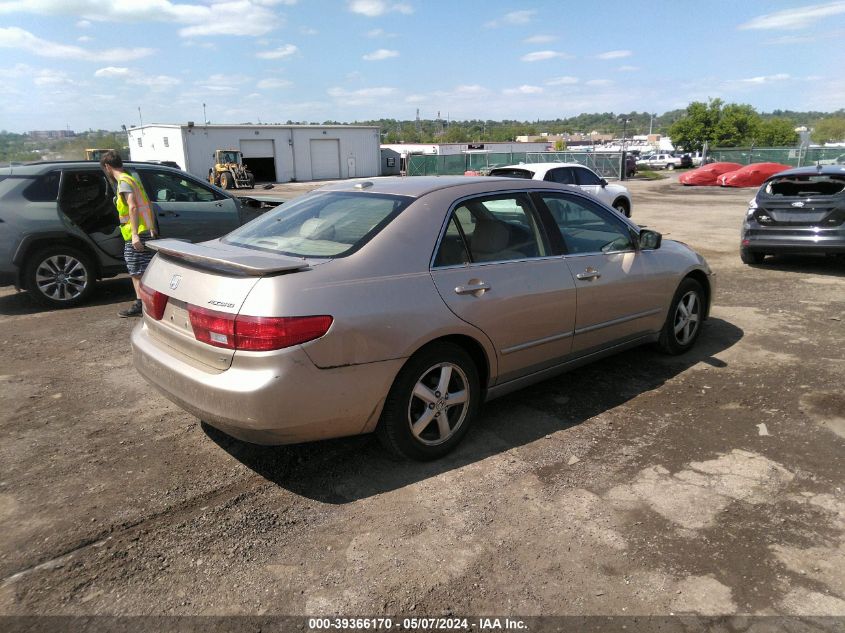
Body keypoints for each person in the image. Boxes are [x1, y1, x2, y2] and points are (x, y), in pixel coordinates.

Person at [99, 151, 157, 317]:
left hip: (136, 232)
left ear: (108, 167)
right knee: (140, 270)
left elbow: (132, 207)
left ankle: (144, 305)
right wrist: (151, 226)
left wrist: (135, 235)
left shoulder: (124, 182)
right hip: (143, 229)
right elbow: (149, 204)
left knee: (137, 271)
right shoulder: (132, 179)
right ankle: (143, 303)